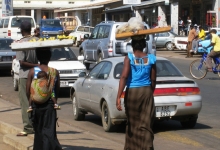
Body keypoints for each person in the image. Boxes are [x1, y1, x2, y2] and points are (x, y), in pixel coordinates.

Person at [116, 35, 156, 150]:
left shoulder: (129, 58)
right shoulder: (151, 58)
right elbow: (153, 79)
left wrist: (118, 97)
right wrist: (149, 92)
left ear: (132, 46)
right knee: (146, 123)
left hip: (132, 93)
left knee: (132, 123)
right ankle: (147, 147)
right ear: (144, 46)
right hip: (147, 91)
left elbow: (124, 77)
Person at [26, 48, 62, 150]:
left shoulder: (32, 71)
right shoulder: (55, 72)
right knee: (49, 132)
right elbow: (56, 90)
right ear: (49, 57)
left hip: (36, 107)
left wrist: (31, 103)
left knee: (39, 132)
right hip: (49, 106)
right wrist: (53, 101)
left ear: (37, 58)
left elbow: (28, 90)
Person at [16, 21, 39, 136]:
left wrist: (35, 65)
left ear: (21, 30)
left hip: (25, 76)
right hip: (36, 75)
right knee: (36, 101)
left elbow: (22, 62)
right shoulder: (37, 41)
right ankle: (36, 125)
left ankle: (28, 127)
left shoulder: (20, 43)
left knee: (25, 102)